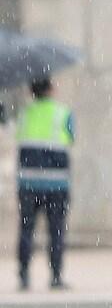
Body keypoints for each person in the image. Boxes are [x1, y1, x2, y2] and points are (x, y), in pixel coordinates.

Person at [15, 77, 73, 291]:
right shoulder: (63, 113)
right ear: (50, 89)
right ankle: (56, 275)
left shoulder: (23, 113)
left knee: (26, 229)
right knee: (56, 231)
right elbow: (71, 137)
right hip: (57, 185)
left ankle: (23, 274)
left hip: (28, 183)